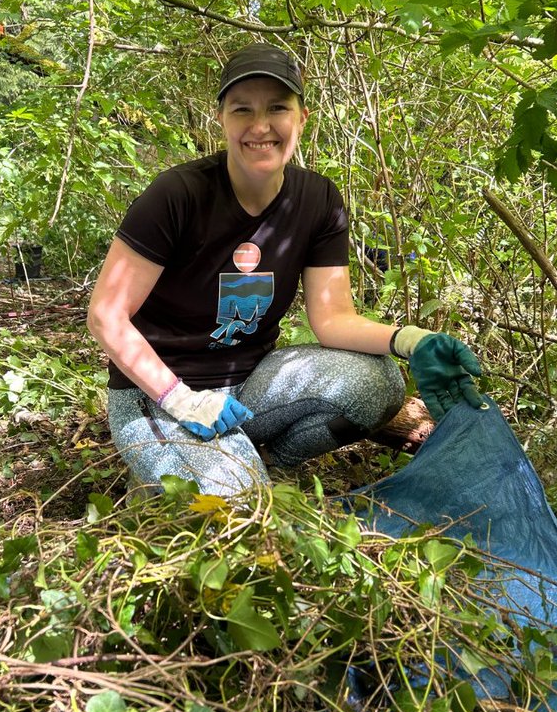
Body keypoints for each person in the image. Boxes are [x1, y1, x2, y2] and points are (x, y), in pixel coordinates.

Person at [87, 43, 486, 498]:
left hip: (250, 386)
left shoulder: (316, 200)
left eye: (277, 108)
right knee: (240, 508)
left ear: (302, 118)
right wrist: (180, 398)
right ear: (220, 118)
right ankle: (185, 466)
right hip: (157, 393)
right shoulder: (178, 195)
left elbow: (333, 318)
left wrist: (411, 341)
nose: (261, 126)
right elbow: (106, 315)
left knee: (378, 383)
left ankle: (259, 466)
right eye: (243, 110)